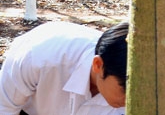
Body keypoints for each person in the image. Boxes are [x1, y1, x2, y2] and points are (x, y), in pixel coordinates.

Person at [0, 21, 128, 115]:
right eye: (125, 89)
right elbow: (4, 107)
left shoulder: (136, 97)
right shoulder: (39, 58)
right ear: (98, 65)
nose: (129, 100)